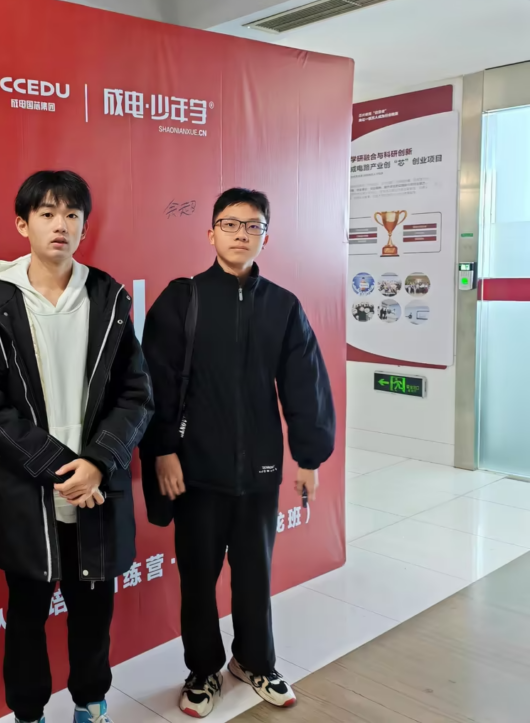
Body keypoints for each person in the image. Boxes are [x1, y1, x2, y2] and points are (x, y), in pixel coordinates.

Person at [0, 170, 153, 723]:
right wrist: (61, 468)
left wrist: (97, 462)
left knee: (93, 613)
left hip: (97, 491)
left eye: (72, 215)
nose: (60, 225)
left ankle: (91, 704)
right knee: (26, 615)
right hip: (29, 492)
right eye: (46, 213)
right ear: (22, 224)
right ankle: (29, 713)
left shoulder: (107, 297)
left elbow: (137, 394)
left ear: (85, 228)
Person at [140, 188, 335, 717]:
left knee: (254, 576)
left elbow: (305, 384)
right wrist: (163, 451)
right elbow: (153, 383)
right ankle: (203, 670)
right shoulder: (182, 299)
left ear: (266, 237)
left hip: (259, 471)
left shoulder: (283, 306)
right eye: (230, 224)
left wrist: (309, 458)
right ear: (211, 233)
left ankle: (254, 661)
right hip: (194, 470)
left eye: (253, 226)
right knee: (198, 579)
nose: (241, 234)